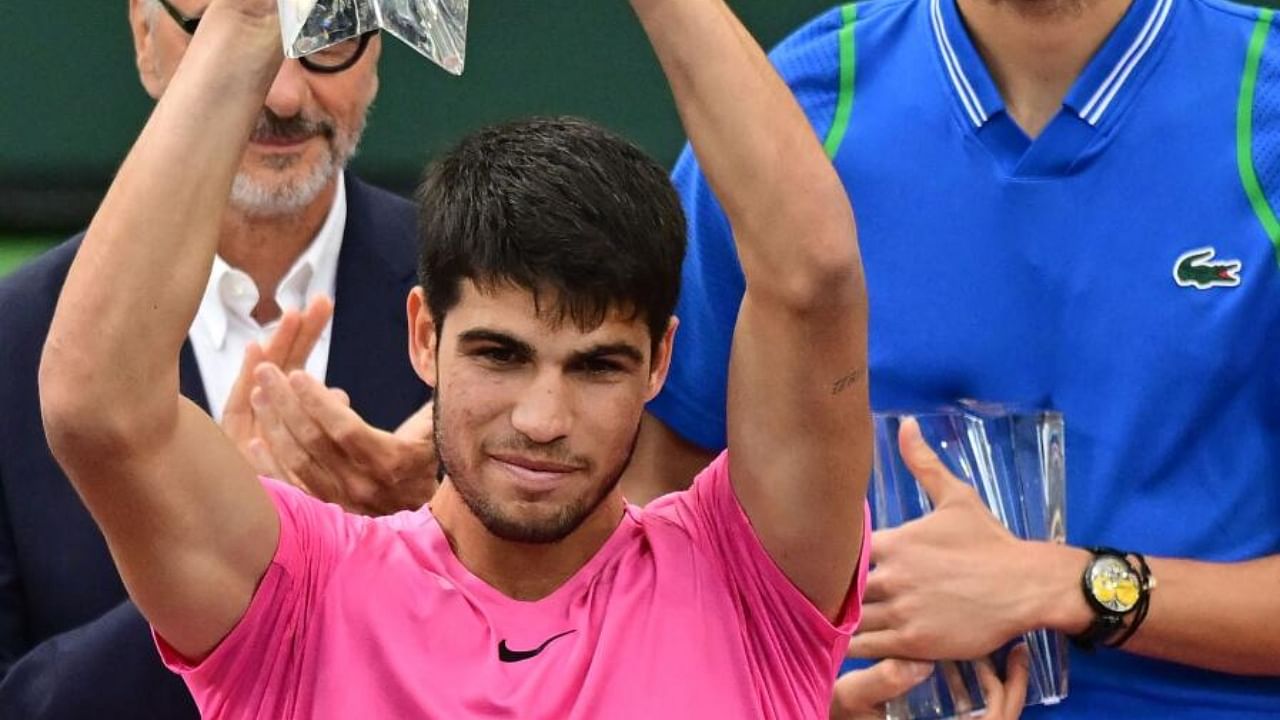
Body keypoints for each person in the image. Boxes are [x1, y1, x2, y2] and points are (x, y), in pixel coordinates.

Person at [39, 0, 881, 717]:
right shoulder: (300, 600)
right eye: (500, 355)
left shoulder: (749, 585)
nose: (543, 421)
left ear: (661, 360)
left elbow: (814, 274)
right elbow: (94, 407)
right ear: (423, 336)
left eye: (596, 366)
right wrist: (251, 20)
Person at [630, 0, 1280, 716]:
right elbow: (661, 489)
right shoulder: (807, 99)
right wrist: (782, 697)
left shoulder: (1265, 94)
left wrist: (1068, 586)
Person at [0, 0, 431, 715]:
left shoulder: (480, 309)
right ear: (144, 36)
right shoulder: (15, 343)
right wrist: (219, 557)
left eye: (328, 34)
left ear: (379, 50)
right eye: (226, 30)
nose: (284, 94)